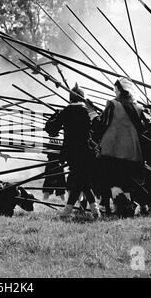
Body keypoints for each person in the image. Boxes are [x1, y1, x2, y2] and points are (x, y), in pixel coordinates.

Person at [91, 78, 151, 217]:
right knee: (127, 181)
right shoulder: (138, 107)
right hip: (133, 150)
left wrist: (93, 115)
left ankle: (122, 209)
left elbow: (102, 124)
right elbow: (149, 125)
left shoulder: (111, 104)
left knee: (113, 178)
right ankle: (126, 210)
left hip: (112, 148)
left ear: (118, 90)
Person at [45, 84, 100, 219]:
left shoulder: (66, 111)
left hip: (71, 152)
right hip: (87, 151)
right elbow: (98, 127)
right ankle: (92, 210)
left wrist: (55, 115)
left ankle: (69, 211)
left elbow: (51, 129)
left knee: (80, 180)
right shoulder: (87, 111)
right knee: (82, 181)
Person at [42, 135, 66, 201]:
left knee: (48, 186)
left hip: (52, 165)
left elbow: (46, 151)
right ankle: (63, 201)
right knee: (59, 186)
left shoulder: (52, 142)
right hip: (58, 166)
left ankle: (45, 200)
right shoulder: (59, 142)